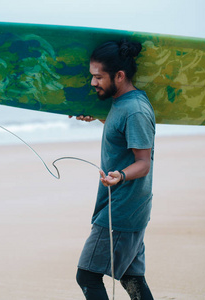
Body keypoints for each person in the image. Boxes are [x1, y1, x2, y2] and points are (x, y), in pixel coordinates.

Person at [70, 39, 155, 300]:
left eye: (98, 77)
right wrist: (99, 118)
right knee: (132, 278)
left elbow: (144, 163)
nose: (93, 83)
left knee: (87, 275)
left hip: (122, 207)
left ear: (119, 75)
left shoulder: (135, 110)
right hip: (127, 206)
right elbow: (122, 132)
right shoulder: (123, 103)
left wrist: (120, 176)